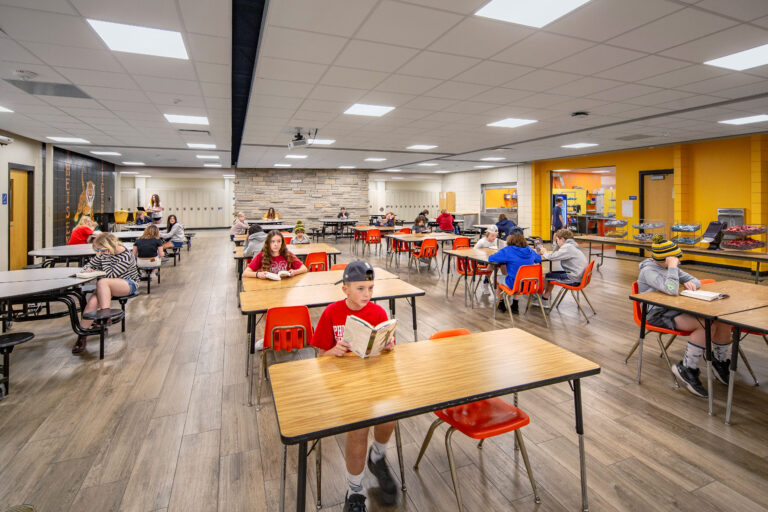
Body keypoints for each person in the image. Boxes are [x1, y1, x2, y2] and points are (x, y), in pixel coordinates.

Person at [309, 260, 397, 511]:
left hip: (373, 379)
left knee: (389, 417)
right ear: (345, 288)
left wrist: (389, 345)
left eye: (370, 288)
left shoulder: (378, 313)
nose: (367, 294)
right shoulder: (331, 313)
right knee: (358, 431)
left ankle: (377, 456)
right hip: (344, 385)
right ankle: (355, 491)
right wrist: (331, 351)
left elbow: (387, 348)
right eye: (360, 288)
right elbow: (319, 357)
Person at [638, 235, 732, 398]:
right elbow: (672, 289)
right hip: (655, 313)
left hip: (673, 308)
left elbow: (695, 280)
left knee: (721, 321)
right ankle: (687, 368)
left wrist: (690, 283)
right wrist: (673, 267)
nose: (679, 262)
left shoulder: (669, 268)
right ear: (666, 259)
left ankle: (720, 362)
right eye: (675, 259)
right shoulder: (648, 271)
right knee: (705, 325)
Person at [73, 233, 139, 354]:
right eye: (98, 251)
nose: (100, 253)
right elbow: (89, 265)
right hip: (106, 286)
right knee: (92, 302)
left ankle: (105, 313)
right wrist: (87, 270)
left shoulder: (126, 256)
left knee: (103, 282)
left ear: (108, 246)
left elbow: (111, 275)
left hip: (128, 284)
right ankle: (82, 336)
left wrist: (107, 259)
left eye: (101, 249)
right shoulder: (103, 254)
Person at [489, 233, 541, 313]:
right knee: (518, 277)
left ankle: (501, 303)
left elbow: (492, 258)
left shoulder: (508, 250)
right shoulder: (530, 250)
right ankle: (515, 304)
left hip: (514, 284)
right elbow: (538, 259)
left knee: (495, 278)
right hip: (530, 284)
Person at [537, 229, 587, 301]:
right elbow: (555, 253)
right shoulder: (572, 245)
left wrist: (544, 252)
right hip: (578, 276)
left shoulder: (568, 247)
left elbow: (551, 257)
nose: (557, 242)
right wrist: (557, 244)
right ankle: (545, 297)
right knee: (551, 275)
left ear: (562, 239)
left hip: (573, 278)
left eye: (557, 240)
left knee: (543, 276)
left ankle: (538, 298)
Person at [242, 230, 307, 279]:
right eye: (272, 241)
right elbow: (245, 273)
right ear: (268, 243)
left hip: (284, 288)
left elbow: (304, 268)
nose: (276, 244)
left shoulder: (288, 254)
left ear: (282, 243)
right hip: (267, 288)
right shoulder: (261, 256)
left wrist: (295, 272)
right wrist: (257, 274)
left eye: (279, 241)